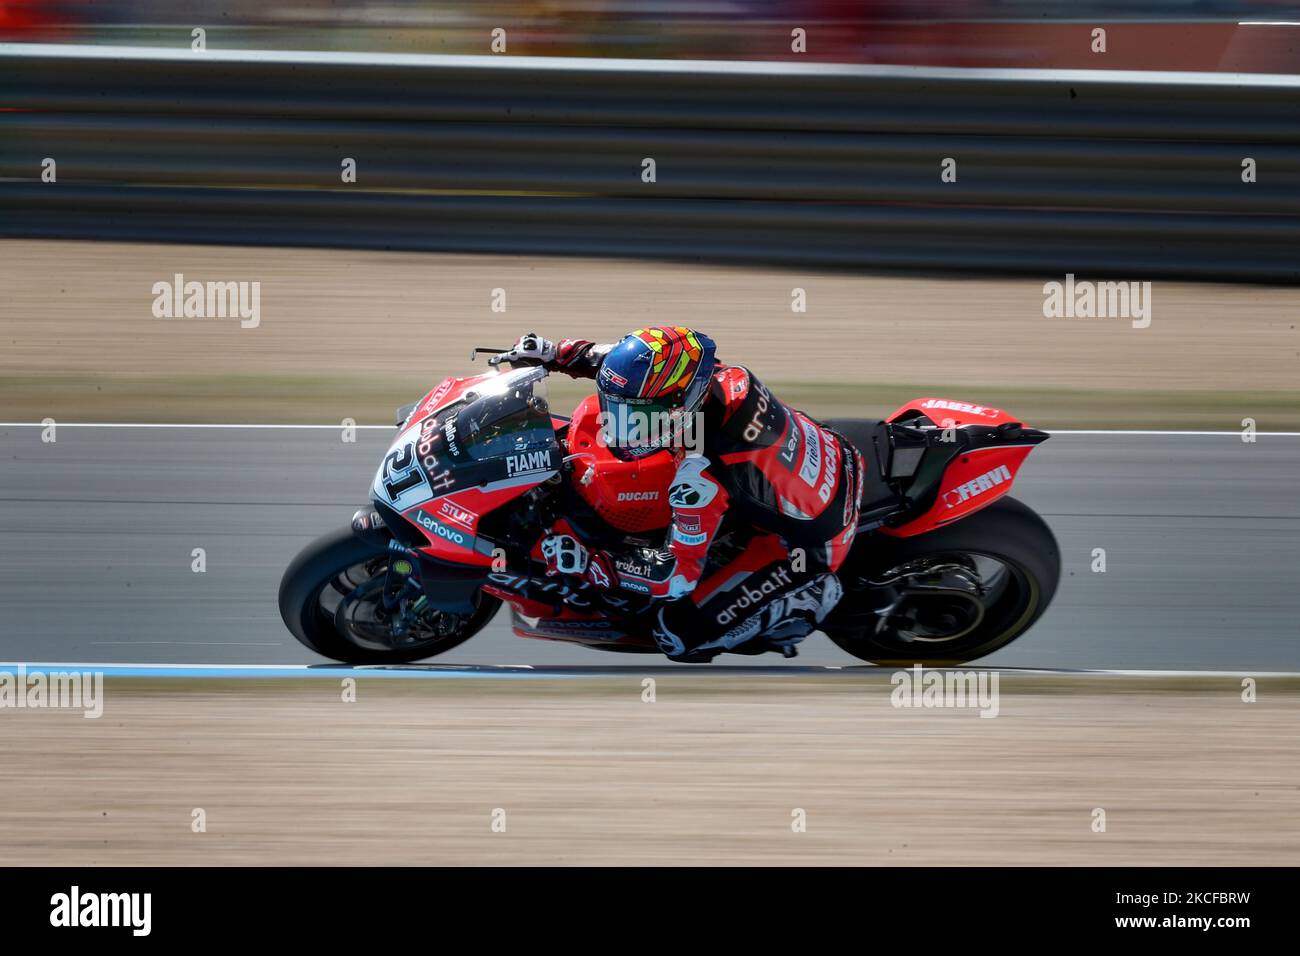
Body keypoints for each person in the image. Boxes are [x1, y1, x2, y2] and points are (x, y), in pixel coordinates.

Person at [493, 327, 864, 661]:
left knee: (676, 635)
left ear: (678, 406)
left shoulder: (699, 474)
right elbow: (621, 366)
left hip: (806, 547)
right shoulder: (711, 377)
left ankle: (807, 599)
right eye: (617, 410)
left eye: (635, 417)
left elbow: (676, 577)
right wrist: (554, 353)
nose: (617, 428)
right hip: (823, 458)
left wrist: (592, 563)